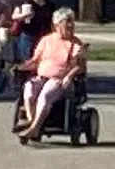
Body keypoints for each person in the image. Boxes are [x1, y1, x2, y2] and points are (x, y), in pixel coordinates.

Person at [17, 7, 89, 141]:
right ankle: (31, 119)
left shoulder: (75, 43)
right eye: (67, 21)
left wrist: (69, 76)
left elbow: (80, 67)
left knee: (46, 93)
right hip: (42, 77)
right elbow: (35, 61)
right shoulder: (46, 40)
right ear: (57, 25)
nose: (71, 25)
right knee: (29, 87)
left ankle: (34, 128)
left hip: (59, 80)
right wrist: (21, 67)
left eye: (72, 22)